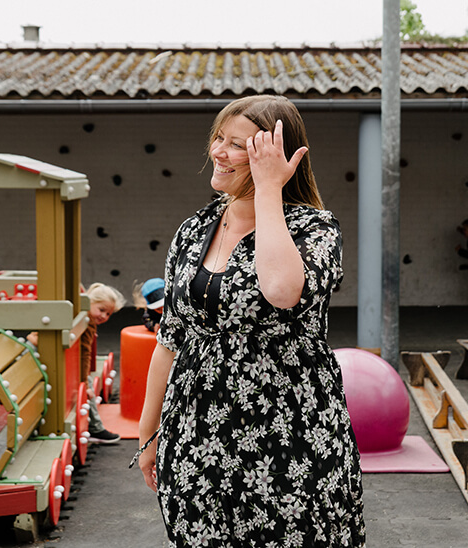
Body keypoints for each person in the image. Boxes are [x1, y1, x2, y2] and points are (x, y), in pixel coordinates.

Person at [134, 95, 366, 546]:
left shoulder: (315, 230)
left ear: (275, 158)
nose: (218, 152)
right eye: (218, 138)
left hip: (291, 440)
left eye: (238, 145)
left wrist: (269, 190)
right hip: (196, 439)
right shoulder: (192, 231)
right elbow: (171, 338)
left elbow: (282, 291)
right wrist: (148, 435)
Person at [26, 282, 126, 443]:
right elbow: (84, 354)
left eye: (108, 314)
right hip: (43, 351)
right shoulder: (87, 322)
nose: (104, 317)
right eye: (101, 310)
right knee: (89, 389)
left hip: (35, 345)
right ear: (89, 302)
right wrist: (85, 382)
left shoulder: (77, 312)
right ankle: (96, 428)